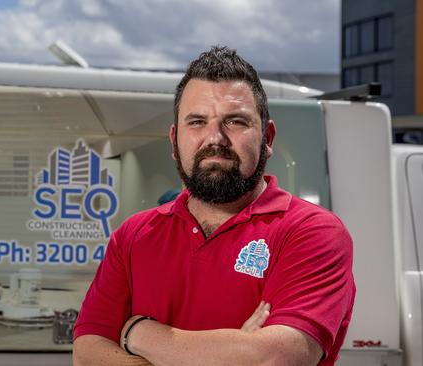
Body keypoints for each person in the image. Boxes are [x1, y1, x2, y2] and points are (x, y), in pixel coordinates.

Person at [73, 46, 355, 366]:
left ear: (268, 138)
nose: (215, 138)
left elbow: (277, 357)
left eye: (235, 121)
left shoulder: (312, 232)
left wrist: (139, 334)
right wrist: (235, 352)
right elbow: (87, 353)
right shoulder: (134, 235)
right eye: (196, 121)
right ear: (175, 140)